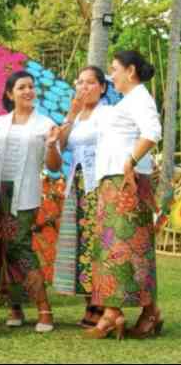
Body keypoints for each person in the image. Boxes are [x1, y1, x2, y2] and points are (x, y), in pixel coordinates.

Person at [85, 51, 163, 340]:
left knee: (125, 251)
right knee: (120, 250)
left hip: (125, 183)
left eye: (114, 69)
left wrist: (130, 161)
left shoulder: (140, 98)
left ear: (131, 71)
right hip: (114, 183)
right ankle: (135, 312)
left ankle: (115, 314)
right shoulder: (129, 101)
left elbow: (152, 131)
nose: (110, 74)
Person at [0, 71, 62, 333]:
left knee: (20, 246)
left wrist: (52, 146)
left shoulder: (45, 124)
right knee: (3, 249)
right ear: (10, 93)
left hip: (25, 194)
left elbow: (53, 167)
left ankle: (44, 308)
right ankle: (15, 305)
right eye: (21, 87)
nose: (28, 91)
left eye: (31, 87)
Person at [53, 66, 108, 328]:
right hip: (77, 184)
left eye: (90, 83)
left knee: (98, 243)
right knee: (80, 244)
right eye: (80, 83)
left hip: (99, 184)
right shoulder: (74, 116)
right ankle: (90, 301)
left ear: (103, 87)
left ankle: (103, 304)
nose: (84, 87)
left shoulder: (106, 114)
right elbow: (60, 146)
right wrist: (71, 114)